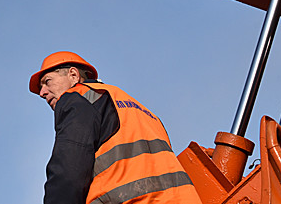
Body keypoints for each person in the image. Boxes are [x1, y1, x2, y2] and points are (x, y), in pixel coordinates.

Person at [30, 51, 202, 204]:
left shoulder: (77, 98)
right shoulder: (140, 110)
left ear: (73, 75)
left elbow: (69, 168)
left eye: (47, 82)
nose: (43, 93)